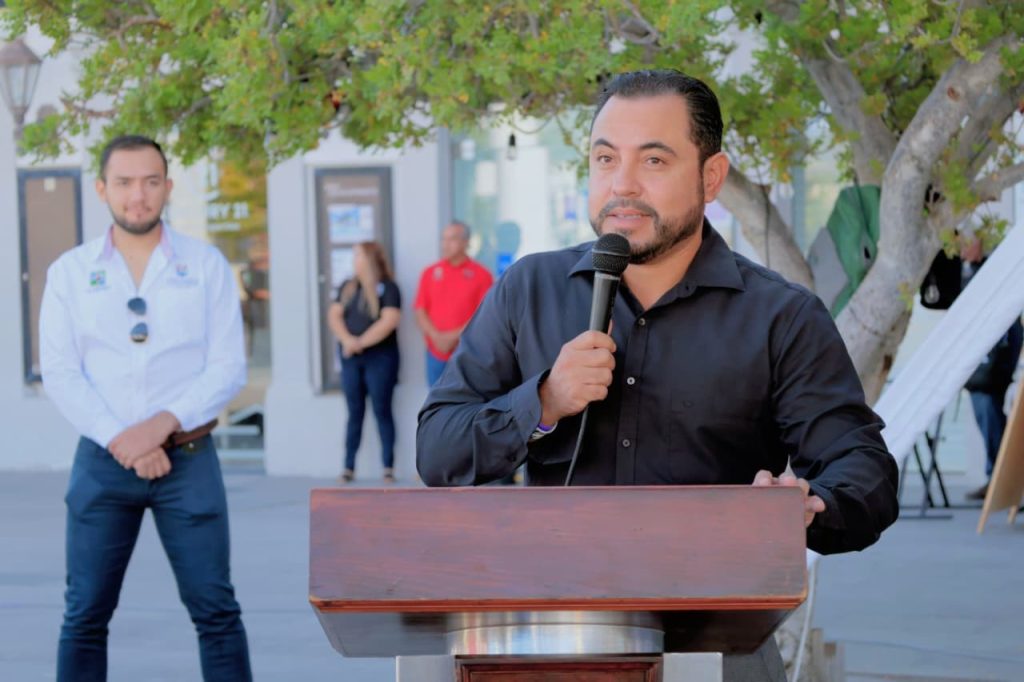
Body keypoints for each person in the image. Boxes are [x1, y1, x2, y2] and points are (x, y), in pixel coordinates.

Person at [417, 70, 899, 680]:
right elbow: (437, 449)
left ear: (711, 176)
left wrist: (808, 504)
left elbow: (866, 472)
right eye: (605, 158)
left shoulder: (781, 315)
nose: (622, 184)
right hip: (549, 647)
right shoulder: (527, 291)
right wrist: (544, 400)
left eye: (654, 160)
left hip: (720, 649)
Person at [40, 135, 252, 681]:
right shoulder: (69, 272)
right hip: (101, 464)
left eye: (151, 181)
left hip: (189, 460)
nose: (139, 195)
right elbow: (61, 374)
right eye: (126, 183)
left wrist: (160, 426)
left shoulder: (205, 265)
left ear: (168, 187)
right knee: (84, 614)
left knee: (217, 611)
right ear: (102, 189)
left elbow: (228, 367)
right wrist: (123, 439)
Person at [328, 241, 402, 483]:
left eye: (358, 255)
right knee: (354, 412)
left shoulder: (389, 288)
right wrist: (348, 340)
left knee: (382, 410)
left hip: (380, 359)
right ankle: (348, 466)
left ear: (370, 258)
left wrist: (360, 342)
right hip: (351, 359)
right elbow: (334, 315)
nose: (355, 259)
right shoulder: (347, 287)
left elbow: (389, 320)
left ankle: (388, 467)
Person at [960, 240, 1024, 500]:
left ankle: (1001, 480)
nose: (963, 250)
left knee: (989, 409)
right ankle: (997, 478)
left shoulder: (993, 268)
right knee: (985, 409)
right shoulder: (964, 271)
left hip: (1000, 361)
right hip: (984, 366)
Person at [414, 221, 494, 386]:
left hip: (468, 354)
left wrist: (452, 337)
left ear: (465, 242)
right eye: (443, 239)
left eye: (452, 239)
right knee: (435, 405)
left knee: (468, 405)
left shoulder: (482, 275)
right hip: (435, 354)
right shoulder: (429, 273)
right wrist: (436, 337)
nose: (445, 245)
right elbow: (420, 309)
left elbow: (484, 316)